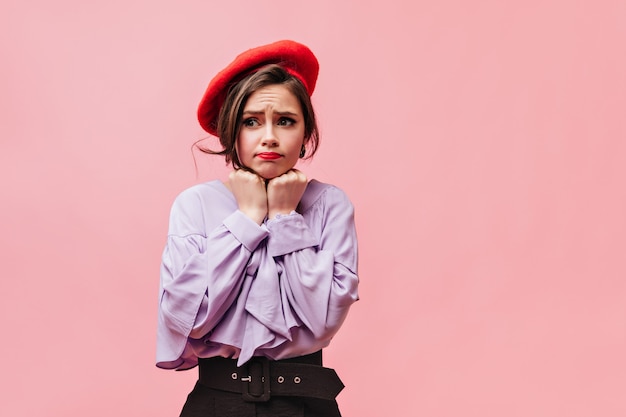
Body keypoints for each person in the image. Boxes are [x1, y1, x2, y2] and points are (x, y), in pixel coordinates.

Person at [156, 40, 359, 417]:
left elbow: (322, 321)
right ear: (232, 131)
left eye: (285, 120)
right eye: (251, 122)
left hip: (306, 404)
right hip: (216, 402)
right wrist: (246, 220)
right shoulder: (194, 204)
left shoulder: (330, 204)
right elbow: (188, 319)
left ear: (305, 131)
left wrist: (284, 218)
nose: (269, 136)